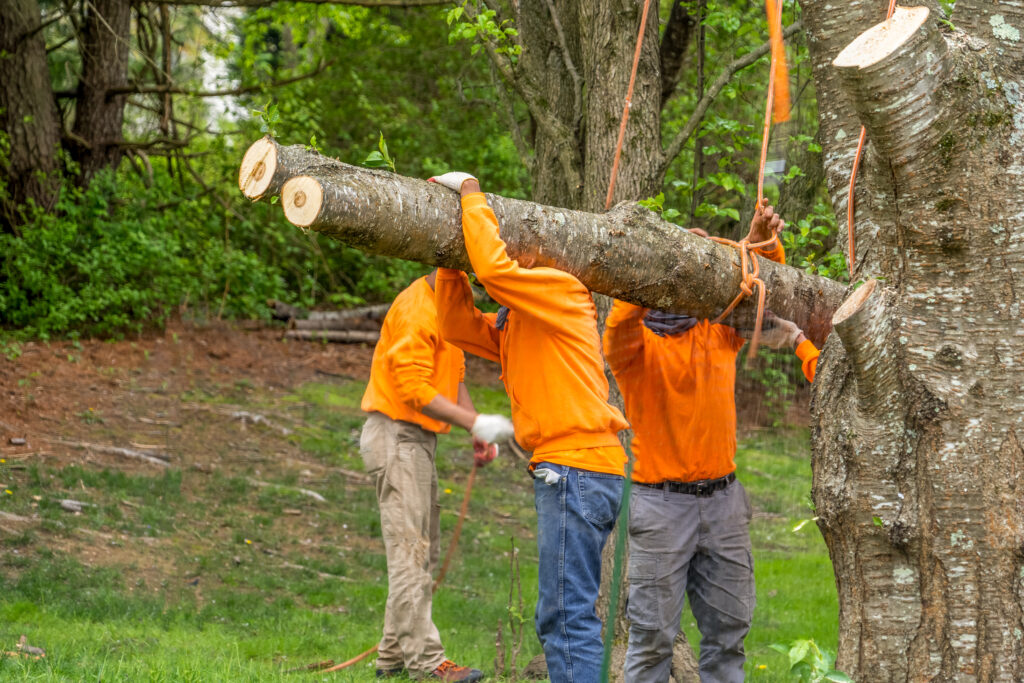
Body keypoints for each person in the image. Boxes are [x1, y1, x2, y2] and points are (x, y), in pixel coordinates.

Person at [427, 171, 630, 683]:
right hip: (572, 471)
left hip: (576, 469)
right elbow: (453, 325)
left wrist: (471, 194)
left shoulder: (560, 290)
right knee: (562, 614)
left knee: (565, 617)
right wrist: (451, 258)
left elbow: (494, 274)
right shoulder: (520, 320)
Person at [602, 206, 818, 683]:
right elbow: (622, 310)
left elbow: (759, 284)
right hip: (658, 507)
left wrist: (761, 238)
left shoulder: (717, 331)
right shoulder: (631, 347)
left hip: (723, 503)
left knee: (728, 634)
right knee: (652, 639)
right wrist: (662, 256)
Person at [359, 268, 515, 682]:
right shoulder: (416, 310)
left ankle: (391, 657)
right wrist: (474, 421)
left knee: (420, 550)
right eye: (468, 280)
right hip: (394, 435)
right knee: (410, 552)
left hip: (419, 440)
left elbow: (455, 375)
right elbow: (414, 388)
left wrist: (473, 429)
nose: (472, 292)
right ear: (448, 272)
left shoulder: (448, 311)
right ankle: (427, 664)